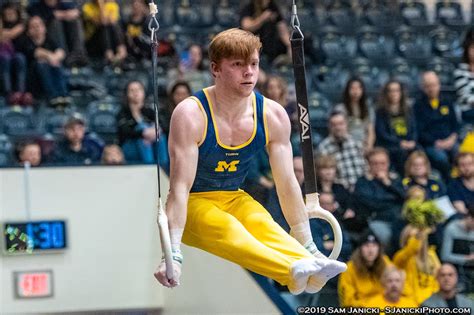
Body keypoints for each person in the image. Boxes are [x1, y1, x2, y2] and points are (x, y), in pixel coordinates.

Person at [154, 28, 346, 295]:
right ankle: (290, 271)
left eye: (254, 64)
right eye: (238, 64)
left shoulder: (272, 115)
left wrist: (307, 241)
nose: (249, 72)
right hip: (194, 206)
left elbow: (287, 183)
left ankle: (310, 263)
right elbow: (179, 189)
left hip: (234, 197)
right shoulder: (190, 114)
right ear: (215, 69)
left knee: (262, 222)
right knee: (230, 228)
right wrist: (171, 254)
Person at [353, 147, 406, 251]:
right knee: (385, 236)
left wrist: (388, 183)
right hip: (377, 220)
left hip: (398, 219)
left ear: (388, 163)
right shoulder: (363, 182)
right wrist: (393, 199)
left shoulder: (395, 179)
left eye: (383, 163)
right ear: (369, 164)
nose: (379, 167)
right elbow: (372, 203)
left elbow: (404, 197)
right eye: (375, 163)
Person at [414, 71, 459, 181]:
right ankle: (448, 182)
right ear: (423, 87)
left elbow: (455, 124)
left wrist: (452, 138)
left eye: (434, 85)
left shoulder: (447, 101)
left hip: (450, 140)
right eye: (428, 86)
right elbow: (419, 131)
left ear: (439, 85)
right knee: (441, 158)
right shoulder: (418, 106)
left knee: (461, 154)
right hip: (432, 144)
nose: (431, 88)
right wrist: (436, 142)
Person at [16, 16, 69, 106]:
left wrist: (54, 58)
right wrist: (51, 57)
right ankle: (53, 96)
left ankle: (63, 95)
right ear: (28, 31)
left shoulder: (49, 40)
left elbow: (61, 52)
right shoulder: (25, 41)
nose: (37, 28)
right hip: (33, 79)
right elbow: (37, 52)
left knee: (56, 64)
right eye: (33, 26)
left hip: (51, 72)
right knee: (41, 63)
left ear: (44, 28)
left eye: (39, 25)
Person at [117, 80, 168, 169]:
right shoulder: (122, 112)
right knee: (142, 130)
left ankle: (164, 168)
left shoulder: (150, 111)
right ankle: (149, 168)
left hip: (152, 143)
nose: (135, 93)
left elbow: (163, 126)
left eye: (138, 90)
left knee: (161, 137)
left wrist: (156, 131)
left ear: (144, 92)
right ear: (127, 94)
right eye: (132, 90)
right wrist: (142, 134)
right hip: (130, 145)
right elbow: (124, 131)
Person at [375, 80, 418, 176]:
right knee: (401, 153)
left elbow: (414, 129)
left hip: (407, 142)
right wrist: (400, 142)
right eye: (391, 91)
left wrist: (412, 141)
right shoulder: (381, 111)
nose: (394, 94)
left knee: (419, 152)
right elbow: (382, 133)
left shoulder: (408, 109)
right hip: (391, 145)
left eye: (397, 90)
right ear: (387, 94)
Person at [27, 0, 88, 67]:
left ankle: (78, 54)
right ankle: (63, 57)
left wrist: (64, 15)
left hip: (66, 34)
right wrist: (53, 15)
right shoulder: (36, 6)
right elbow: (36, 22)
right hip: (48, 42)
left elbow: (76, 12)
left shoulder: (63, 4)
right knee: (55, 22)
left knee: (74, 20)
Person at [338, 231, 392, 307]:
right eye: (366, 246)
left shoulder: (386, 263)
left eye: (374, 246)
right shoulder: (349, 269)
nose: (371, 250)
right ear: (360, 249)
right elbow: (348, 300)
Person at [318, 111, 366, 190]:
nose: (338, 128)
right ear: (329, 127)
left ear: (346, 124)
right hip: (340, 190)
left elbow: (365, 167)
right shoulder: (323, 148)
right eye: (334, 125)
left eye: (341, 124)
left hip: (361, 188)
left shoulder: (357, 142)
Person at [393, 225, 441, 305]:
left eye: (419, 237)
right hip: (410, 304)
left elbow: (438, 280)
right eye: (411, 238)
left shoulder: (431, 255)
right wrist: (419, 235)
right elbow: (412, 249)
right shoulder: (401, 257)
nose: (416, 241)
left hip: (432, 304)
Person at [240, 0, 291, 65]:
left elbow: (282, 29)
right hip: (253, 45)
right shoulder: (249, 6)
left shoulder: (272, 6)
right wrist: (263, 18)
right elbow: (246, 26)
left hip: (270, 45)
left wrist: (289, 45)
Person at [0, 3, 32, 106]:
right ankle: (8, 93)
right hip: (3, 55)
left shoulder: (22, 25)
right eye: (7, 12)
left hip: (16, 53)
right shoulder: (4, 25)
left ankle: (20, 92)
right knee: (5, 59)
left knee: (20, 58)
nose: (9, 14)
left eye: (12, 12)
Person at [335, 77, 375, 152]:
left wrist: (369, 147)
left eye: (358, 88)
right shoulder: (340, 109)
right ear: (347, 90)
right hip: (347, 146)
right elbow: (340, 132)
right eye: (352, 88)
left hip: (364, 145)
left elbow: (371, 131)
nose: (355, 91)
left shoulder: (368, 108)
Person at [82, 0, 127, 66]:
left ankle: (121, 52)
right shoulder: (87, 7)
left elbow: (112, 21)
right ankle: (109, 55)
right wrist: (101, 5)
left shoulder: (112, 5)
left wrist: (107, 19)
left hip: (110, 40)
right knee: (103, 27)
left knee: (114, 25)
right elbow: (101, 22)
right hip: (92, 42)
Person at [441, 206, 474, 292]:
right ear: (470, 218)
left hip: (470, 269)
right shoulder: (452, 228)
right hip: (455, 270)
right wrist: (466, 259)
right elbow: (445, 256)